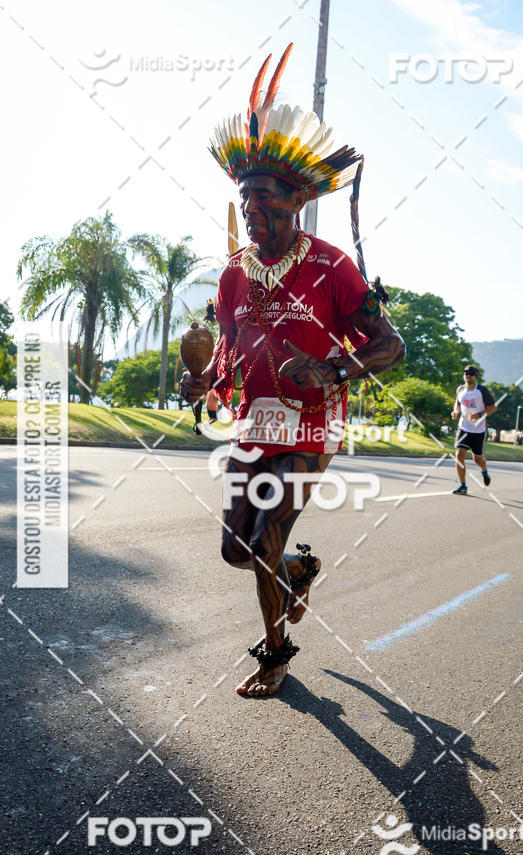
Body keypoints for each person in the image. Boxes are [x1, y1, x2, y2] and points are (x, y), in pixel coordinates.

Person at [180, 44, 405, 697]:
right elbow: (227, 357)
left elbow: (389, 344)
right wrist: (204, 384)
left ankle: (276, 655)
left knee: (264, 542)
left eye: (265, 199)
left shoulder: (331, 266)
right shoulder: (231, 275)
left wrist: (334, 370)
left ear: (296, 201)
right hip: (254, 428)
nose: (252, 210)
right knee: (236, 549)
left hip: (309, 431)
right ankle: (300, 572)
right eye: (245, 199)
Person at [451, 365, 497, 495]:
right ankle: (463, 486)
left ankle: (484, 470)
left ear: (476, 376)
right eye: (465, 373)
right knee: (459, 454)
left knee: (477, 459)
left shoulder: (482, 390)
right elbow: (458, 403)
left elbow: (493, 407)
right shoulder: (460, 389)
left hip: (479, 430)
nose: (468, 375)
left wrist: (480, 415)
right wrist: (455, 412)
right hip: (464, 427)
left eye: (471, 373)